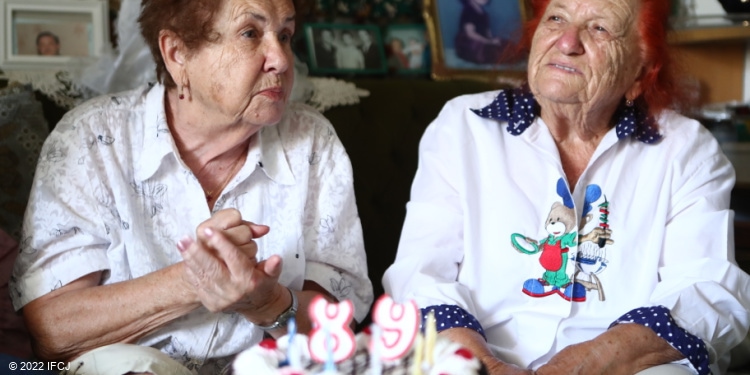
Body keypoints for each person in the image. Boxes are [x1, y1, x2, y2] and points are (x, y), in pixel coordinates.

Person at [383, 0, 750, 374]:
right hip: (476, 353)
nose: (567, 41)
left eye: (599, 28)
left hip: (623, 365)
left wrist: (584, 363)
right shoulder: (463, 126)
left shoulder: (685, 149)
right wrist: (488, 367)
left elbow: (705, 289)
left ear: (640, 72)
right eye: (556, 18)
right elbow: (421, 276)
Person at [10, 0, 373, 373]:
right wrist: (191, 282)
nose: (280, 59)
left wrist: (269, 303)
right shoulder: (91, 139)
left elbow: (341, 325)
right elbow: (53, 332)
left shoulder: (312, 141)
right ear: (177, 53)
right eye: (250, 33)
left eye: (285, 35)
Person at [454, 0, 507, 65]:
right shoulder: (468, 11)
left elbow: (487, 31)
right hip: (470, 43)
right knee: (492, 53)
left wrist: (492, 40)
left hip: (482, 39)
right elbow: (471, 34)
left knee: (504, 44)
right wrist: (489, 42)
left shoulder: (483, 13)